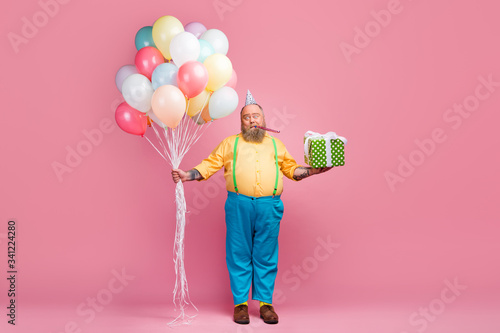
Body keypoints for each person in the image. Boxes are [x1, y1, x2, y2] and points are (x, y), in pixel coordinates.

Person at [171, 90, 332, 325]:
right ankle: (240, 305)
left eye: (256, 116)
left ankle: (266, 304)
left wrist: (313, 171)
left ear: (264, 120)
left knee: (266, 254)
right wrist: (188, 175)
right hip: (238, 205)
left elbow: (292, 171)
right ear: (241, 122)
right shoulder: (230, 143)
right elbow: (209, 165)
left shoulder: (277, 145)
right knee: (238, 254)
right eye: (247, 117)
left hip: (270, 206)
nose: (252, 120)